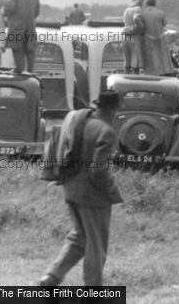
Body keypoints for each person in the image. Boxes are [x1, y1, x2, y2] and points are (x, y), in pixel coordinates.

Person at [40, 91, 123, 287]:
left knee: (78, 238)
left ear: (97, 105)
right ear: (114, 109)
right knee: (96, 246)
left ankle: (51, 278)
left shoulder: (79, 120)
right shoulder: (106, 131)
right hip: (93, 198)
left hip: (71, 190)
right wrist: (113, 192)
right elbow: (98, 171)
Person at [5, 0, 40, 73]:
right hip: (30, 27)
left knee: (17, 49)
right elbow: (37, 12)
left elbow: (8, 10)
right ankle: (30, 72)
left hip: (16, 28)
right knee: (30, 50)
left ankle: (19, 70)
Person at [140, 0, 172, 75]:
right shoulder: (160, 13)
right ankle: (163, 72)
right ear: (155, 3)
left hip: (148, 38)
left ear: (146, 4)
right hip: (160, 38)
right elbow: (164, 24)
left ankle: (150, 73)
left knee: (150, 58)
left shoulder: (143, 14)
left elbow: (141, 26)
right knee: (162, 56)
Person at [122, 0, 144, 74]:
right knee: (135, 61)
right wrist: (142, 28)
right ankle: (135, 78)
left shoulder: (126, 10)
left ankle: (126, 76)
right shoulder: (138, 9)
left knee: (127, 60)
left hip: (125, 34)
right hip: (134, 35)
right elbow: (137, 19)